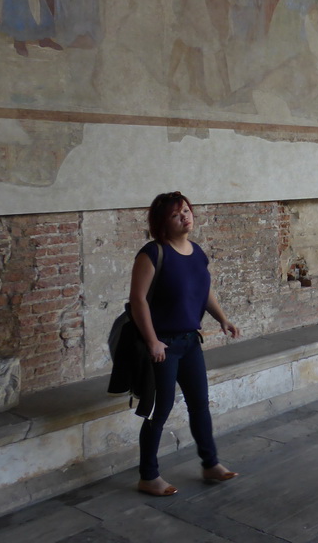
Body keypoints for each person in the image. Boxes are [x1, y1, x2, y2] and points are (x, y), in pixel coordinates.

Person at [130, 191, 240, 497]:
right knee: (160, 410)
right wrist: (152, 341)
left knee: (200, 405)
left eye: (188, 211)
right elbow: (138, 301)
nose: (186, 217)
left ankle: (210, 463)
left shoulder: (197, 251)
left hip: (191, 342)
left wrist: (223, 319)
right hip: (163, 346)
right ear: (163, 222)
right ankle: (148, 476)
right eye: (177, 214)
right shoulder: (152, 254)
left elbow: (204, 292)